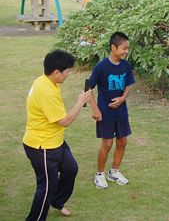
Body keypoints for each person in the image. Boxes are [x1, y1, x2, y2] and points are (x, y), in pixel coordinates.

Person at [23, 50, 92, 220]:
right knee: (46, 188)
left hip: (55, 141)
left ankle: (57, 200)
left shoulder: (46, 81)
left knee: (70, 169)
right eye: (67, 71)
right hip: (43, 146)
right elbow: (65, 121)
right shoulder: (46, 92)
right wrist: (80, 102)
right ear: (56, 72)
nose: (68, 75)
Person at [88, 32, 135, 189]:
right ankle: (100, 174)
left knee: (122, 141)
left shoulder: (126, 65)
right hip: (105, 114)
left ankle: (114, 171)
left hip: (121, 113)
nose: (126, 52)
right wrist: (95, 108)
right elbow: (88, 88)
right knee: (107, 144)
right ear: (113, 47)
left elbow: (128, 84)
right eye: (124, 48)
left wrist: (122, 98)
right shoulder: (101, 67)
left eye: (128, 48)